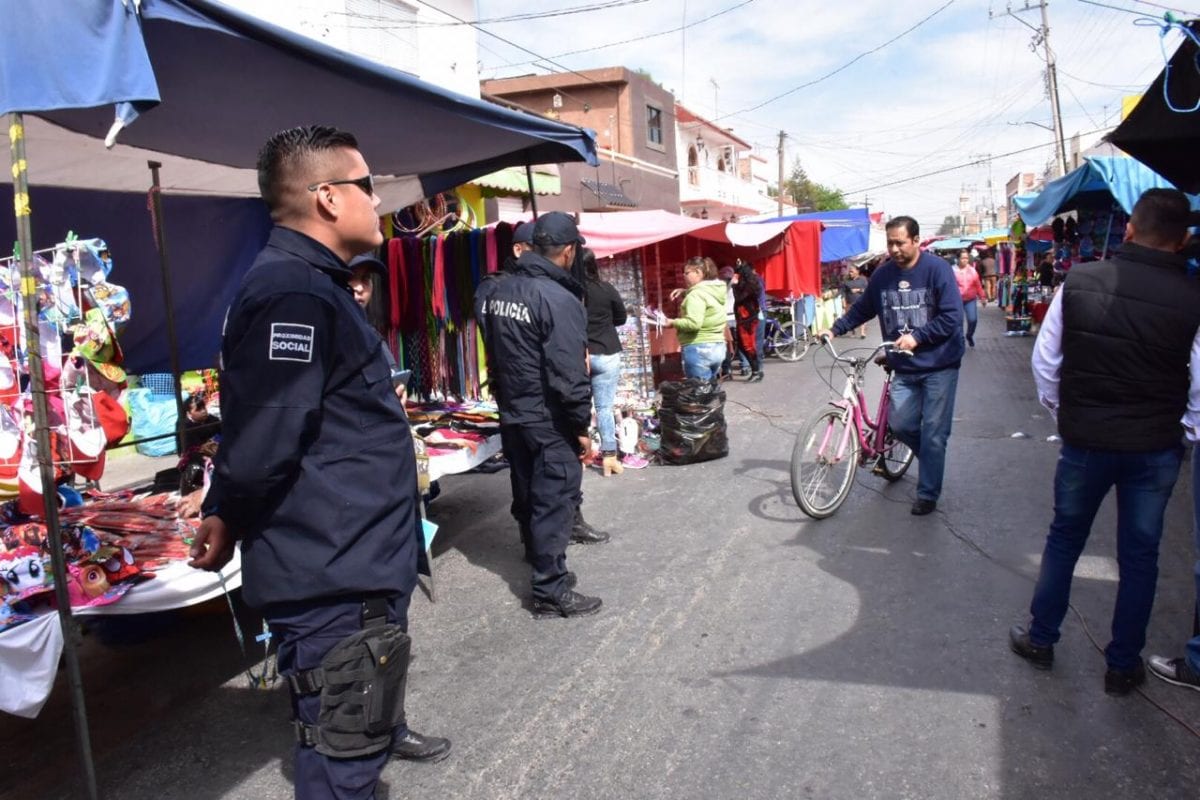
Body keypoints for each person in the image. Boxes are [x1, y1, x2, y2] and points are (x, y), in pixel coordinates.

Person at [188, 125, 450, 800]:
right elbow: (268, 434)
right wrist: (225, 509)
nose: (378, 201)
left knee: (355, 732)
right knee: (342, 758)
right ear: (329, 199)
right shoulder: (294, 293)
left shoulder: (314, 286)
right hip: (333, 568)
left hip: (350, 558)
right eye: (369, 187)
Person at [1009, 189, 1200, 697]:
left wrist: (1063, 412)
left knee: (1065, 538)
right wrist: (1183, 428)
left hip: (1086, 441)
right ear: (1182, 241)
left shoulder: (1080, 281)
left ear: (1130, 230)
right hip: (1155, 448)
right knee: (1139, 555)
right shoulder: (1193, 297)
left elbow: (1045, 363)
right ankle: (1122, 665)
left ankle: (1042, 638)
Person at [474, 211, 604, 618]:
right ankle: (550, 590)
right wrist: (581, 425)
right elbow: (568, 373)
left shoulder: (495, 292)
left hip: (513, 410)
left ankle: (541, 561)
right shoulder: (558, 299)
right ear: (568, 251)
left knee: (529, 491)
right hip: (547, 417)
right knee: (554, 500)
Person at [818, 215, 964, 516]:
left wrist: (918, 337)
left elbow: (951, 317)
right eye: (890, 243)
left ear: (915, 240)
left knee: (934, 432)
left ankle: (927, 492)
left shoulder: (938, 271)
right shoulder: (883, 276)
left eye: (900, 242)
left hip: (940, 364)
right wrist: (835, 329)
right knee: (901, 425)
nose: (895, 249)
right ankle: (932, 458)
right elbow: (863, 309)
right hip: (905, 367)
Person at [582, 248, 628, 477]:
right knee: (604, 408)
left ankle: (581, 454)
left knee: (578, 407)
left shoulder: (570, 292)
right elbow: (621, 317)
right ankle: (610, 457)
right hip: (608, 351)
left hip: (582, 355)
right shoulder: (606, 289)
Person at [666, 256, 728, 381]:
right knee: (709, 388)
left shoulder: (696, 295)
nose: (684, 275)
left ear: (699, 272)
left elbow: (694, 323)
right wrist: (685, 291)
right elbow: (704, 297)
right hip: (717, 345)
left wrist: (672, 322)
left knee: (699, 391)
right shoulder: (716, 289)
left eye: (687, 272)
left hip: (699, 347)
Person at [733, 261, 764, 382]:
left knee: (748, 345)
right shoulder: (747, 284)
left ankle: (756, 371)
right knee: (742, 345)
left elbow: (739, 298)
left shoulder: (749, 286)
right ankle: (755, 370)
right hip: (744, 319)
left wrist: (735, 285)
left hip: (747, 320)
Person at [953, 250, 987, 347]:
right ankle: (961, 340)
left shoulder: (972, 270)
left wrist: (982, 297)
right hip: (957, 300)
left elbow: (978, 285)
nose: (965, 260)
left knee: (973, 320)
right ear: (958, 259)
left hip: (970, 300)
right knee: (958, 321)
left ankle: (969, 335)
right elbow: (948, 286)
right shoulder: (952, 270)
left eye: (967, 258)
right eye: (963, 258)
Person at [718, 265, 737, 379]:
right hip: (733, 318)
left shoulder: (719, 287)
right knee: (734, 344)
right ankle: (740, 366)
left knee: (725, 345)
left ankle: (727, 368)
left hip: (725, 319)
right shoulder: (735, 284)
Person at [840, 265, 869, 339]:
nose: (850, 273)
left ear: (857, 271)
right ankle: (853, 331)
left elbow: (868, 290)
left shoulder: (863, 279)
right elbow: (843, 292)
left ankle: (862, 333)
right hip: (850, 302)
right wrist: (843, 301)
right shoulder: (846, 281)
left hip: (861, 301)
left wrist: (858, 290)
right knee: (851, 317)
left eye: (852, 271)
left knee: (862, 316)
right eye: (849, 271)